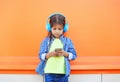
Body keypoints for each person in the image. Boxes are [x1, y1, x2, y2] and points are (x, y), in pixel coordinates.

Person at [36, 12, 77, 82]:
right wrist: (50, 54)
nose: (57, 31)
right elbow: (41, 56)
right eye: (54, 29)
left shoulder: (68, 41)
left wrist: (65, 53)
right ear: (49, 28)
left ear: (64, 28)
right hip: (49, 73)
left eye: (59, 29)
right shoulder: (46, 41)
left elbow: (74, 56)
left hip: (63, 74)